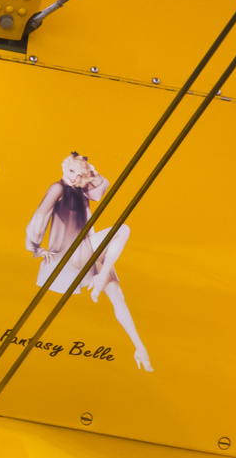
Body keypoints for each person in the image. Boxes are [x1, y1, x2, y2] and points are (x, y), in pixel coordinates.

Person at [23, 152, 152, 371]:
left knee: (117, 296)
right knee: (123, 230)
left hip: (88, 249)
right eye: (71, 171)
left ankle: (140, 349)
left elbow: (101, 192)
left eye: (78, 174)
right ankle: (101, 277)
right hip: (73, 251)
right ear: (64, 167)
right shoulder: (58, 188)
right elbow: (40, 216)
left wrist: (91, 174)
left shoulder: (80, 190)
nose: (73, 177)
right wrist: (34, 246)